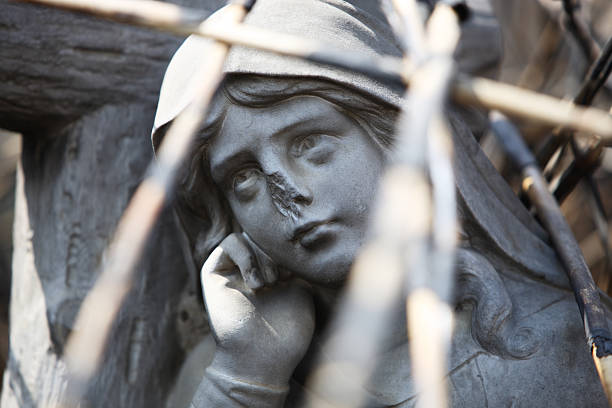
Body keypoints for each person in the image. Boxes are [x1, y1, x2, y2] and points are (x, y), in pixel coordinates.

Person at [152, 1, 610, 406]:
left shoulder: (560, 346)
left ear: (392, 136)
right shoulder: (227, 371)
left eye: (310, 143)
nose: (288, 194)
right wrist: (247, 379)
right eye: (243, 177)